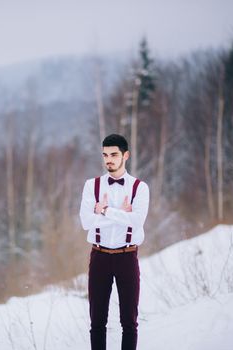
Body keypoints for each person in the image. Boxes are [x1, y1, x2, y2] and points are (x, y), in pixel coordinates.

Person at [79, 134, 150, 350]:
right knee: (97, 322)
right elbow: (86, 222)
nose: (108, 159)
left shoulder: (140, 188)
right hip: (99, 257)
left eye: (114, 155)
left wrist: (105, 211)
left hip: (127, 257)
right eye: (105, 155)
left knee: (129, 321)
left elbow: (136, 222)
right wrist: (121, 215)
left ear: (125, 155)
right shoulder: (92, 186)